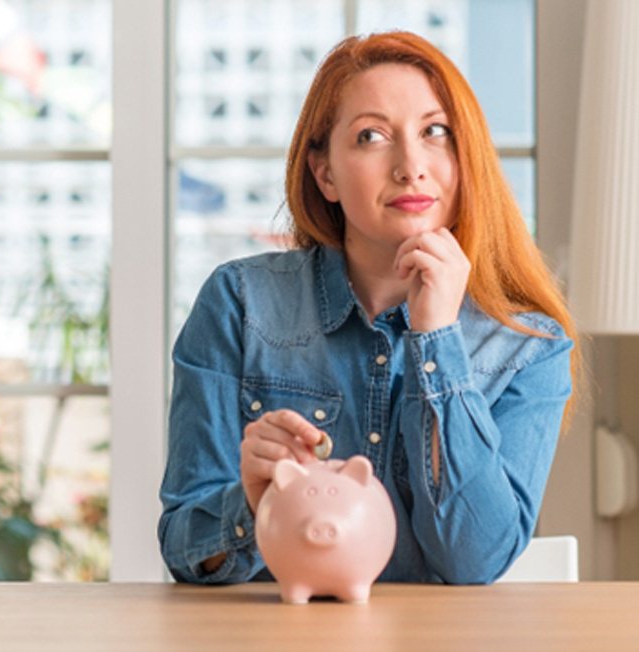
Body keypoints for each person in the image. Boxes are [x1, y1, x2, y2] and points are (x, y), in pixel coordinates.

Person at [158, 31, 579, 585]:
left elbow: (475, 563)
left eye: (435, 132)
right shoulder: (239, 303)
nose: (411, 166)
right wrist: (252, 504)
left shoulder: (527, 346)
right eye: (372, 136)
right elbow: (185, 548)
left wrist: (437, 342)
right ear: (325, 173)